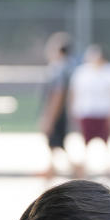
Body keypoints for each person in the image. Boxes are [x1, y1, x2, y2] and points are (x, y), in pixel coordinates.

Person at [69, 44, 110, 178]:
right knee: (85, 141)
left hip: (104, 112)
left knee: (106, 141)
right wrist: (74, 111)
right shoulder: (82, 72)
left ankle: (108, 168)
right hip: (86, 112)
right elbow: (74, 93)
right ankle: (84, 168)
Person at [38, 31, 78, 179]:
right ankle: (51, 168)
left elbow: (57, 94)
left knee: (56, 141)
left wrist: (49, 117)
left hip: (59, 112)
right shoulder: (70, 66)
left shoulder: (58, 69)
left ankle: (75, 169)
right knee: (56, 143)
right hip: (64, 111)